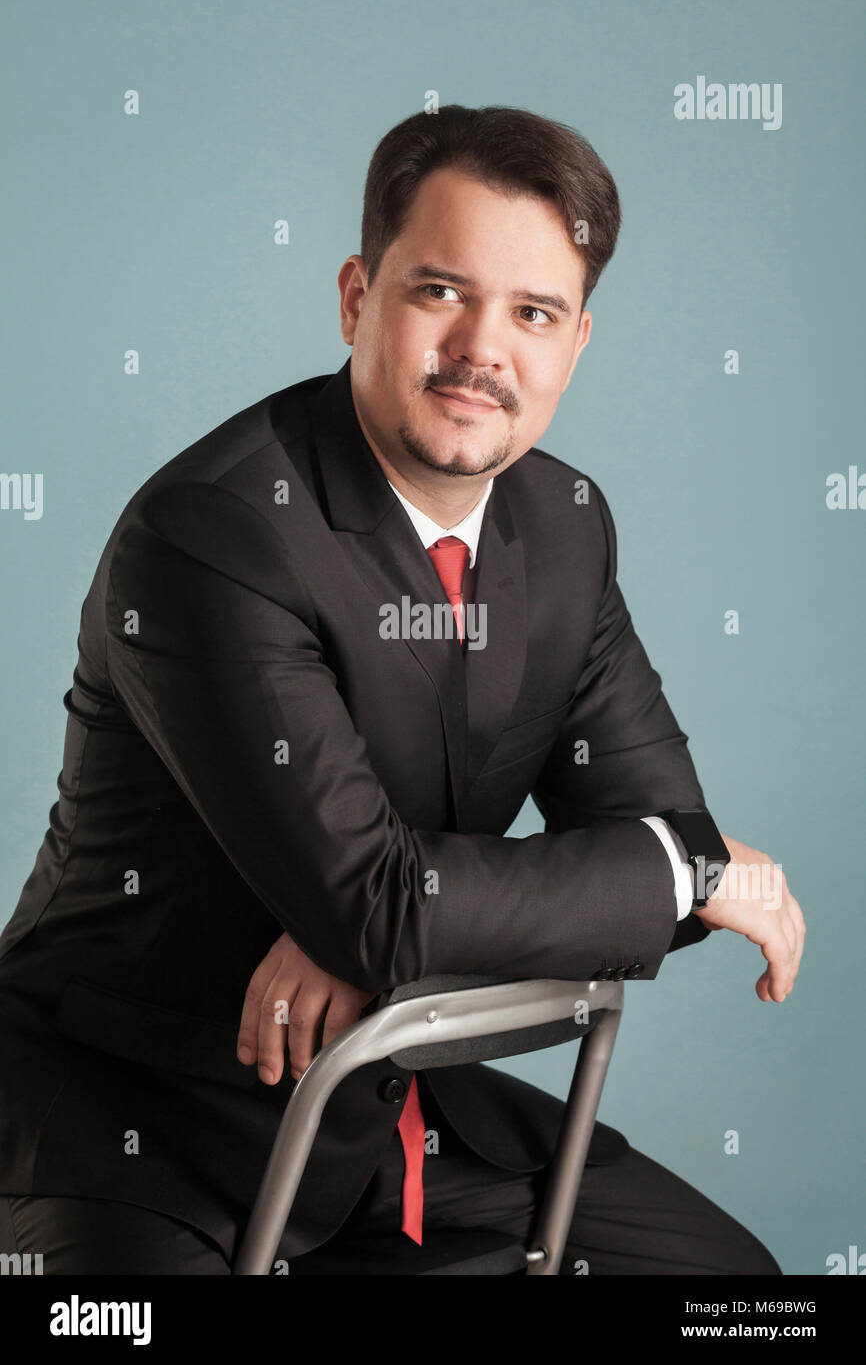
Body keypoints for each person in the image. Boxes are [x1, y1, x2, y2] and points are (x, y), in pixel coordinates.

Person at [0, 104, 803, 1275]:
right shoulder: (212, 535)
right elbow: (661, 867)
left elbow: (639, 845)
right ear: (353, 298)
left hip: (381, 1092)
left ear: (577, 342)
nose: (483, 347)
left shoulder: (564, 527)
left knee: (735, 1294)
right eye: (439, 291)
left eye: (531, 312)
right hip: (140, 1116)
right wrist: (391, 915)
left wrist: (387, 931)